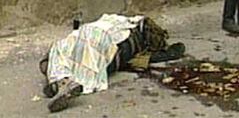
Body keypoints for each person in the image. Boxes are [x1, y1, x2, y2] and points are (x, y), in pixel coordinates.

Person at [39, 14, 185, 113]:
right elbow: (169, 51)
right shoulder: (134, 36)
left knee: (63, 49)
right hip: (102, 37)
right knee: (78, 54)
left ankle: (60, 80)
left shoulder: (126, 26)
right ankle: (60, 81)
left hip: (95, 35)